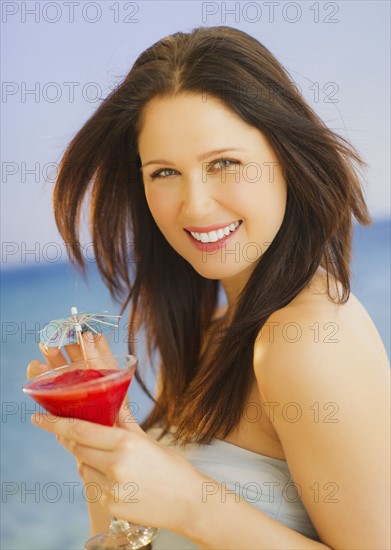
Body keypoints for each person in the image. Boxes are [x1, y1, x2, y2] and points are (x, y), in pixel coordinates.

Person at [27, 26, 390, 549]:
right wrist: (106, 453)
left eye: (224, 163)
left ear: (288, 158)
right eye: (164, 172)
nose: (193, 205)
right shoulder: (212, 331)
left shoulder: (303, 340)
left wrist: (189, 502)